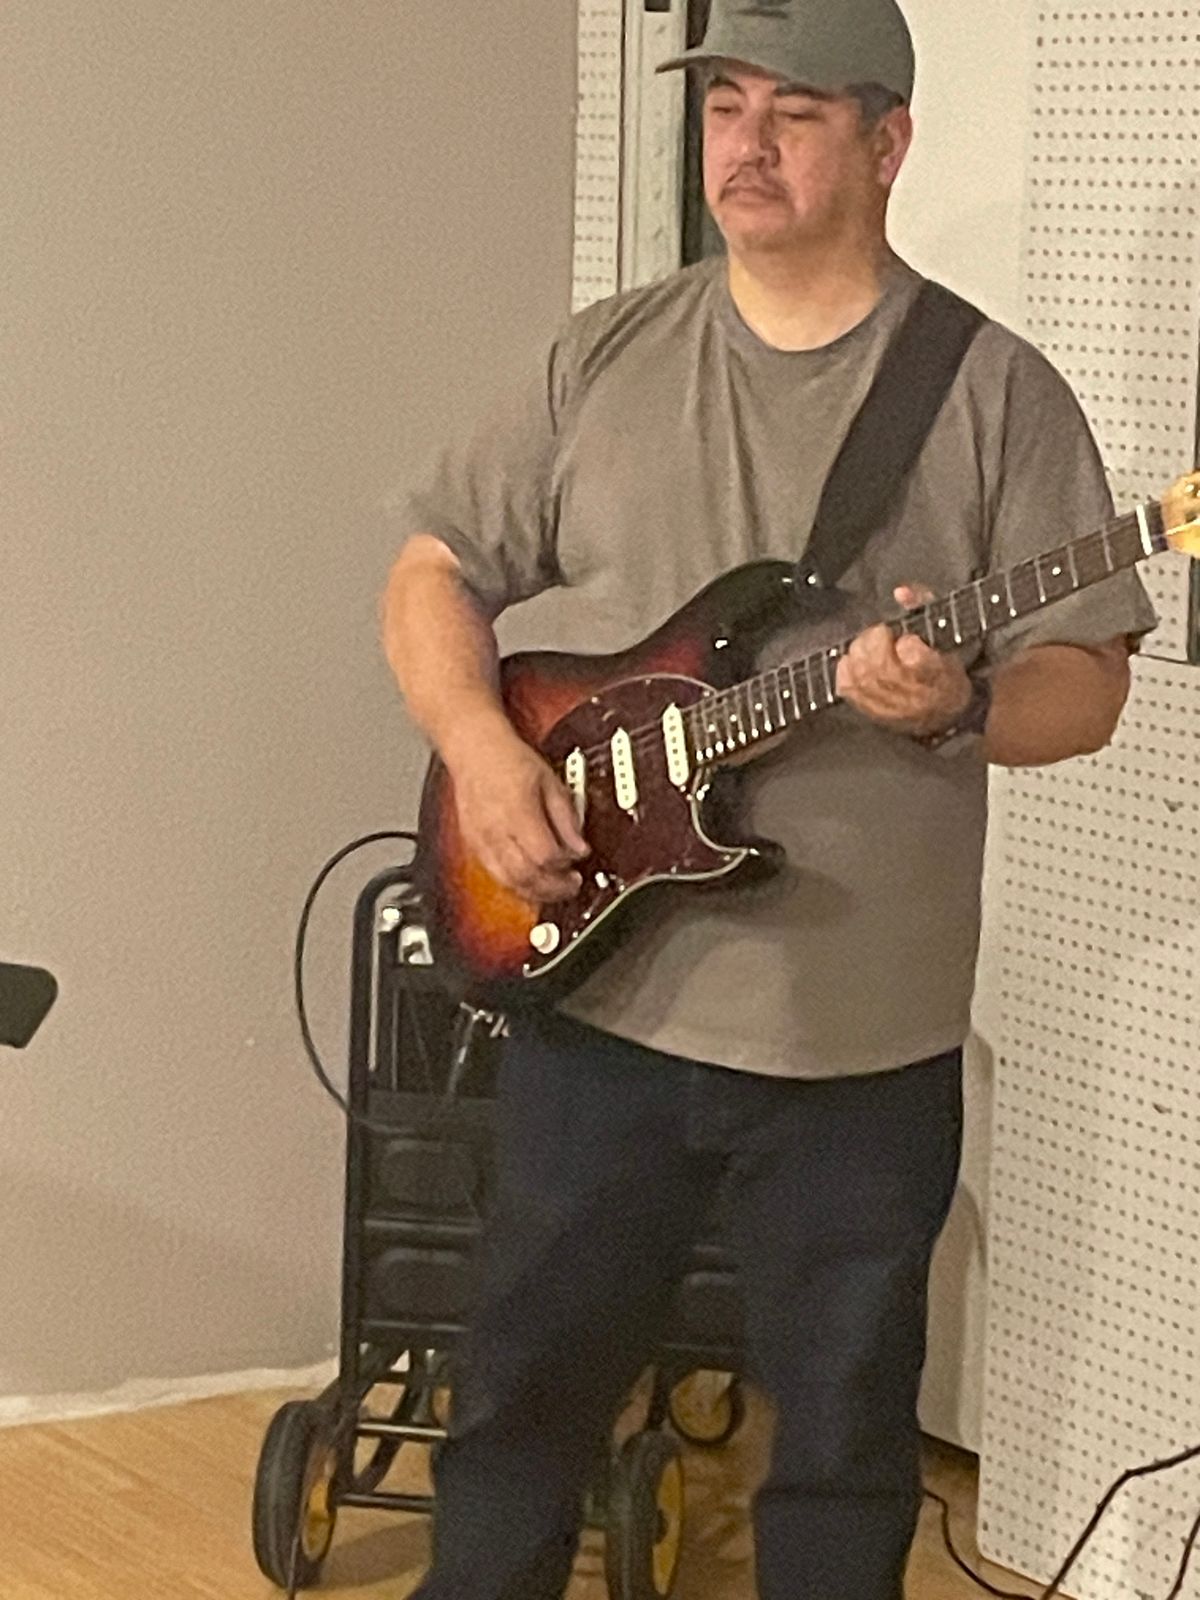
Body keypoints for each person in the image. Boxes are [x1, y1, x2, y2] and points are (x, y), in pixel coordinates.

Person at [381, 1, 1157, 1594]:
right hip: (599, 1009)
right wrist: (483, 748)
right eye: (725, 104)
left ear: (889, 143)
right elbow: (433, 571)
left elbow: (1087, 686)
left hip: (860, 1053)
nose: (744, 144)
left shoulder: (994, 392)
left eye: (794, 114)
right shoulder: (607, 355)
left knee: (843, 1467)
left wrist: (960, 705)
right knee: (518, 1416)